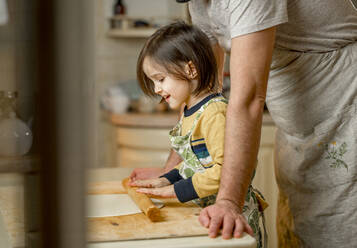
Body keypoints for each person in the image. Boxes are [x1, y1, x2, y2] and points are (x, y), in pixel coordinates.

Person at [130, 0, 357, 247]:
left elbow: (247, 99)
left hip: (345, 118)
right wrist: (171, 171)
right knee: (302, 230)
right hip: (298, 131)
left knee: (336, 232)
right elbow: (201, 92)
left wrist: (228, 202)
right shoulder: (199, 2)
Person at [130, 21, 267, 247]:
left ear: (190, 69)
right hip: (208, 212)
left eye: (160, 79)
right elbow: (194, 164)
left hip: (233, 220)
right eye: (153, 82)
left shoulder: (213, 113)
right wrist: (164, 180)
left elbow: (222, 170)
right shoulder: (188, 111)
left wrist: (174, 191)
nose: (156, 90)